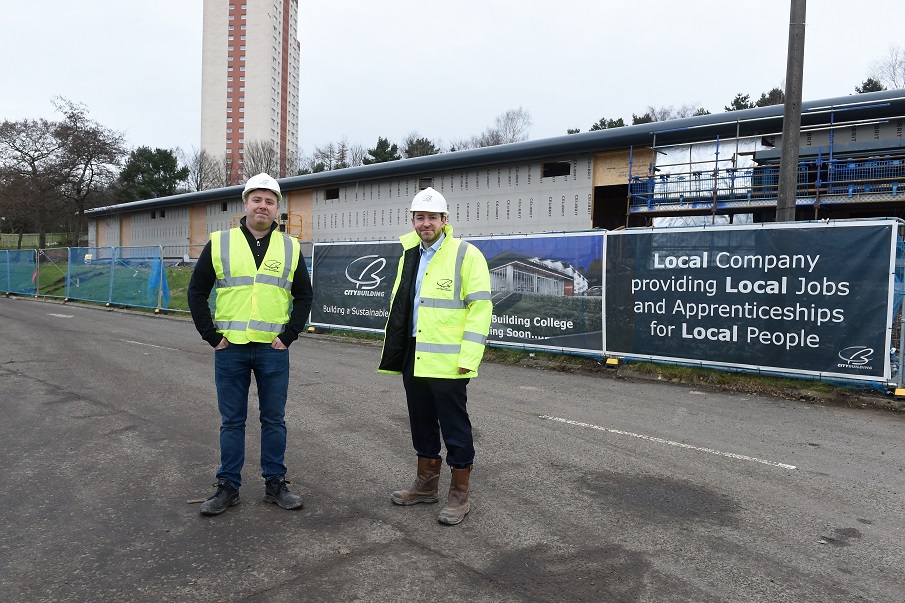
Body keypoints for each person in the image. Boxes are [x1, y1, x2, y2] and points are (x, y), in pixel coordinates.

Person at [188, 173, 313, 516]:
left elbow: (304, 296)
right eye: (257, 199)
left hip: (273, 350)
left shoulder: (290, 246)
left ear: (277, 209)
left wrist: (288, 335)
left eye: (269, 201)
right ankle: (228, 486)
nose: (263, 206)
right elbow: (196, 292)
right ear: (245, 204)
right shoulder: (221, 242)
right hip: (232, 349)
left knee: (274, 420)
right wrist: (211, 336)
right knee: (232, 421)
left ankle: (276, 484)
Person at [377, 187, 493, 525]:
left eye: (432, 217)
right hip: (415, 351)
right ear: (412, 220)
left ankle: (459, 495)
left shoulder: (465, 254)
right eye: (420, 217)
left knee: (455, 426)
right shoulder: (410, 253)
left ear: (445, 220)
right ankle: (426, 486)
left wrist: (469, 357)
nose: (426, 223)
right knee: (421, 421)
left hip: (449, 357)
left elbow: (480, 307)